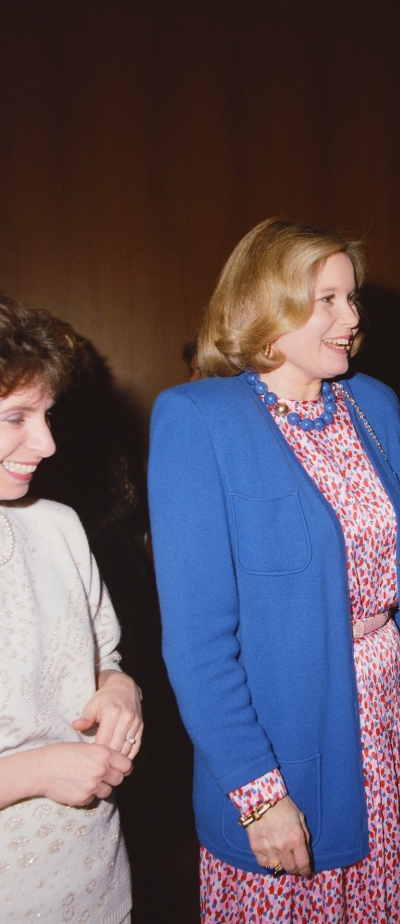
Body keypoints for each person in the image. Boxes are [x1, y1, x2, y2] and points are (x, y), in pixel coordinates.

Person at [146, 219, 400, 923]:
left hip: (389, 739)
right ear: (267, 304)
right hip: (287, 753)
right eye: (327, 299)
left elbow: (399, 562)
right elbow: (197, 642)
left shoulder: (369, 405)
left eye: (352, 297)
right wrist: (259, 792)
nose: (353, 317)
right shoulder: (198, 418)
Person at [0, 293, 142, 924]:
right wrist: (32, 773)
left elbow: (101, 655)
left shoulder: (57, 526)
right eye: (16, 417)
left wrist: (118, 688)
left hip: (96, 878)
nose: (48, 443)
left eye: (47, 413)